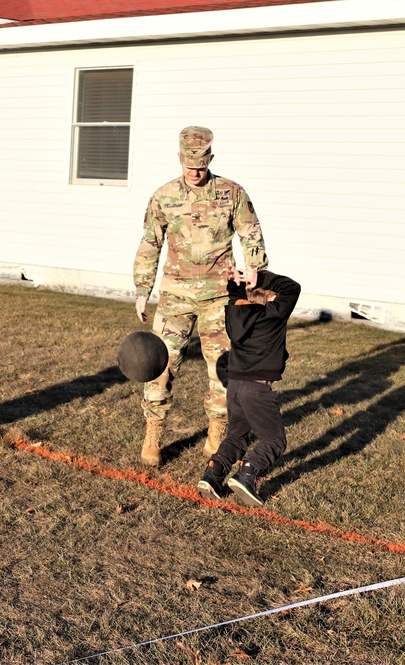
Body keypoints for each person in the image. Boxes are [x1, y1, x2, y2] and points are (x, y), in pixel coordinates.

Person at [133, 126, 268, 466]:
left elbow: (251, 235)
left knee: (222, 371)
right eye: (189, 163)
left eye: (202, 163)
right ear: (180, 158)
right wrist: (141, 290)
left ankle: (216, 437)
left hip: (218, 298)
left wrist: (256, 278)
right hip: (174, 298)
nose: (195, 170)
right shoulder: (163, 196)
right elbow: (151, 243)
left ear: (210, 158)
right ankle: (153, 435)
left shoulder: (231, 193)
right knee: (160, 368)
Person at [197, 268, 300, 507]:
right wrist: (261, 277)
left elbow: (235, 298)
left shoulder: (235, 313)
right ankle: (247, 474)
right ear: (270, 299)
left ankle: (213, 473)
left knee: (236, 436)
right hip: (257, 388)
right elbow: (292, 288)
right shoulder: (272, 316)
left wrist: (235, 284)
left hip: (235, 386)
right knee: (274, 440)